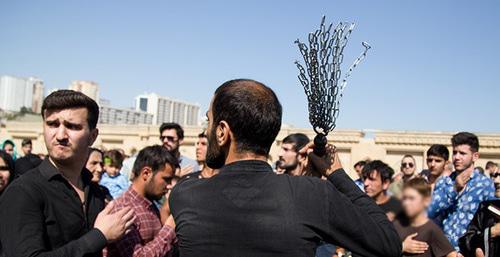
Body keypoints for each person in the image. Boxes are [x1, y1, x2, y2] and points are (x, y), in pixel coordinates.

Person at [170, 79, 401, 257]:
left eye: (209, 121)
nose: (207, 130)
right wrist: (336, 174)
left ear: (222, 131)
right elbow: (388, 244)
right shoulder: (311, 194)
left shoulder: (185, 195)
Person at [0, 90, 135, 257]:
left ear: (92, 136)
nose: (60, 135)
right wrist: (99, 236)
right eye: (52, 124)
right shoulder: (23, 192)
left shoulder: (94, 192)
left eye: (72, 126)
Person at [105, 145, 177, 257]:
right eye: (166, 179)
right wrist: (169, 229)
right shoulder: (123, 209)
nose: (169, 186)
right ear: (146, 173)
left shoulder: (149, 204)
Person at [428, 132, 495, 251]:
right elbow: (430, 211)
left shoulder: (485, 185)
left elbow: (489, 222)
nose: (457, 157)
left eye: (462, 153)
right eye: (454, 152)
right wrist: (454, 189)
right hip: (445, 251)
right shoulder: (444, 182)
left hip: (469, 251)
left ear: (475, 156)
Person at [394, 177, 456, 257]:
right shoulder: (396, 225)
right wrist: (402, 247)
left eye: (411, 198)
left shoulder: (431, 229)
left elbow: (451, 254)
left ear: (426, 200)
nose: (406, 203)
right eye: (404, 198)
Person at [459, 168, 500, 257]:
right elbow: (466, 241)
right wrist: (491, 232)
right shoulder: (487, 208)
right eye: (495, 176)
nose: (496, 181)